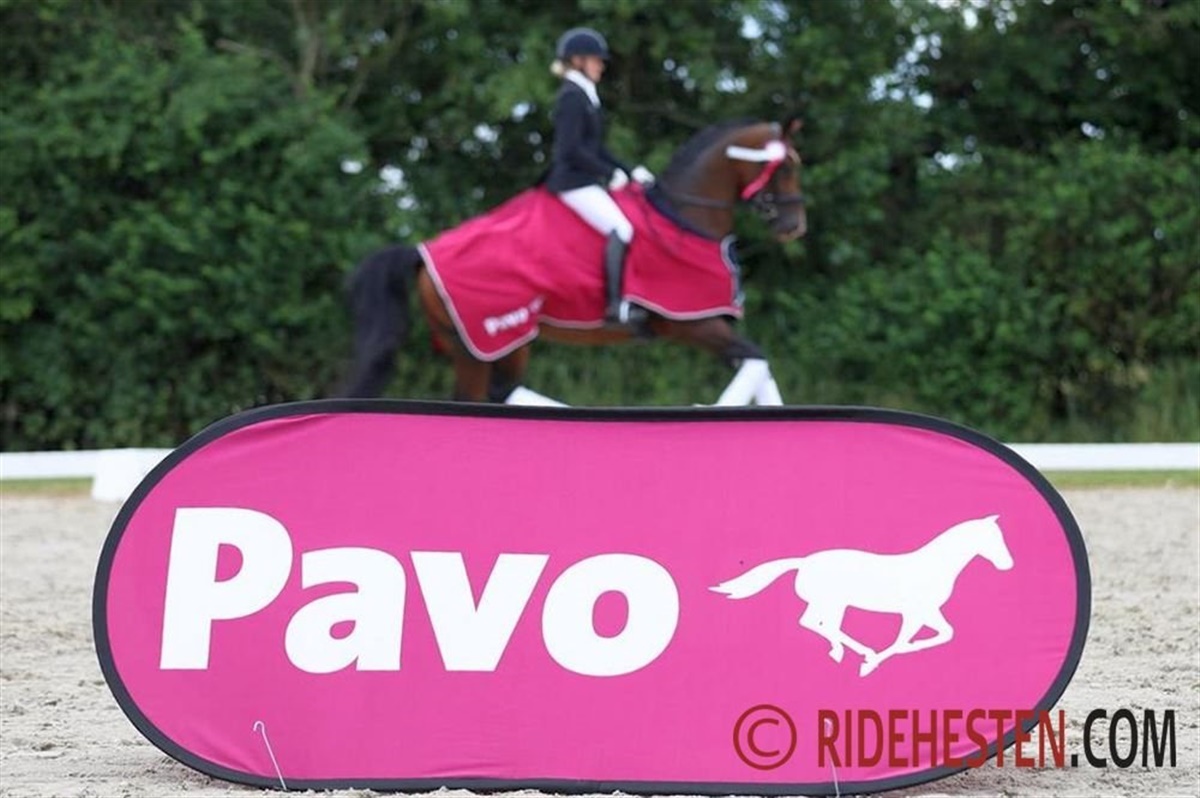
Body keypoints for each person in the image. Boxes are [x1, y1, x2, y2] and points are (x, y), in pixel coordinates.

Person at [544, 27, 654, 324]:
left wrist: (630, 171)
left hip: (584, 179)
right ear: (577, 61)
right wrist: (608, 173)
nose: (601, 66)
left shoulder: (584, 95)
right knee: (622, 228)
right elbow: (570, 149)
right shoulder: (571, 96)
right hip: (571, 182)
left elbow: (596, 148)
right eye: (596, 61)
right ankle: (614, 305)